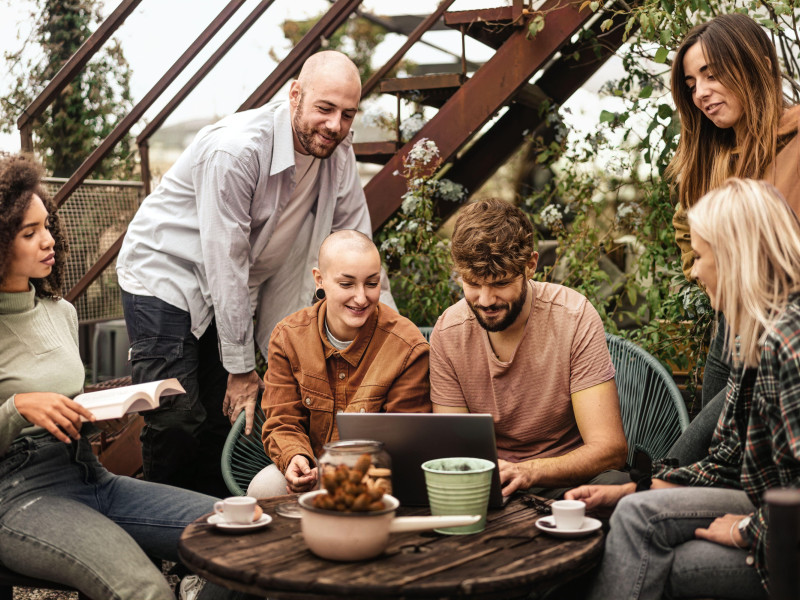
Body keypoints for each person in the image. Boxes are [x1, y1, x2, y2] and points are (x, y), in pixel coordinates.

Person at [116, 51, 393, 496]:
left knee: (218, 418)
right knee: (177, 418)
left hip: (233, 285)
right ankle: (165, 543)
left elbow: (359, 246)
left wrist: (389, 339)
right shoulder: (236, 150)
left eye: (347, 114)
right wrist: (242, 368)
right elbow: (224, 263)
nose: (335, 126)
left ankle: (214, 534)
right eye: (324, 109)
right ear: (295, 95)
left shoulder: (338, 154)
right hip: (167, 275)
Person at [0, 154, 248, 600]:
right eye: (29, 232)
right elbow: (22, 410)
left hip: (88, 473)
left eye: (47, 227)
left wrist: (95, 414)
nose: (48, 241)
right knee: (143, 589)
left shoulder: (60, 312)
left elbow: (64, 401)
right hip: (18, 494)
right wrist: (17, 409)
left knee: (243, 538)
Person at [568, 179, 800, 600]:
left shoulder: (790, 343)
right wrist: (633, 489)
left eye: (699, 255)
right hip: (770, 508)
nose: (692, 270)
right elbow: (726, 464)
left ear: (733, 257)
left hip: (787, 530)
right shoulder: (753, 336)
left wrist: (748, 530)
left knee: (673, 563)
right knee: (635, 513)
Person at [429, 198, 628, 499]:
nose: (485, 300)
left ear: (531, 265)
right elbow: (453, 448)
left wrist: (529, 472)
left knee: (614, 485)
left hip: (567, 482)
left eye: (500, 283)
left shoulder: (573, 316)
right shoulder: (448, 333)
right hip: (490, 483)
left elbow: (609, 450)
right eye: (472, 283)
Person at [669, 13, 800, 418]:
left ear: (757, 64)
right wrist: (711, 279)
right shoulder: (713, 155)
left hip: (786, 332)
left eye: (711, 75)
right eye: (691, 86)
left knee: (708, 447)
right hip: (732, 326)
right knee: (711, 448)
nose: (701, 94)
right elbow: (684, 225)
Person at [247, 230, 431, 496]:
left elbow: (405, 440)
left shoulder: (407, 346)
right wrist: (295, 457)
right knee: (263, 489)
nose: (361, 297)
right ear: (319, 280)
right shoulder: (288, 336)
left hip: (377, 477)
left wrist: (338, 476)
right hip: (312, 468)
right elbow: (282, 419)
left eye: (372, 283)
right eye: (347, 284)